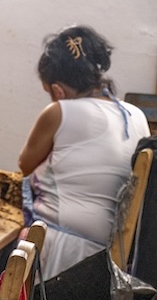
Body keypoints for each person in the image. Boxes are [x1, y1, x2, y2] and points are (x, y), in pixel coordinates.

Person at [19, 25, 150, 280]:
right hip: (114, 253)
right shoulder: (135, 115)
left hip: (62, 250)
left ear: (57, 90)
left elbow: (24, 165)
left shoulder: (60, 112)